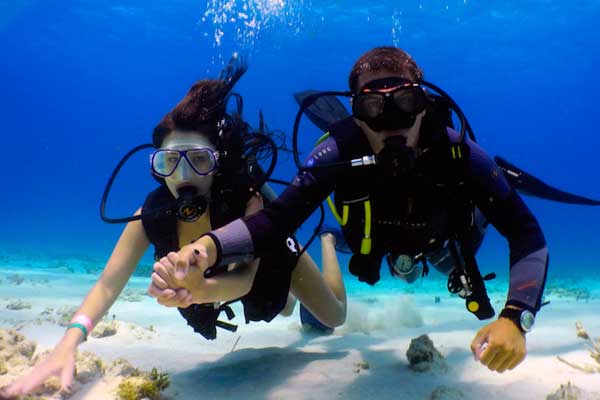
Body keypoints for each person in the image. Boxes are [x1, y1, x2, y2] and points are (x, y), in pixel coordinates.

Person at [167, 47, 552, 374]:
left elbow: (526, 234)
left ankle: (502, 184)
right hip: (368, 240)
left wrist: (517, 317)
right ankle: (333, 245)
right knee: (338, 257)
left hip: (442, 239)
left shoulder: (459, 153)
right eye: (373, 106)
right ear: (355, 114)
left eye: (404, 102)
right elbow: (276, 220)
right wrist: (205, 249)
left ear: (423, 105)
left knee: (450, 266)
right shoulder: (336, 153)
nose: (391, 123)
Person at [0, 59, 346, 398]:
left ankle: (328, 243)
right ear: (157, 166)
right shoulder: (152, 214)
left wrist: (198, 291)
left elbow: (244, 280)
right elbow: (107, 285)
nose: (183, 176)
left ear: (218, 161)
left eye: (198, 160)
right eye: (169, 162)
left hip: (263, 259)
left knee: (333, 317)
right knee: (277, 305)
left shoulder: (248, 200)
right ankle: (286, 297)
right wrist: (69, 340)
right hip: (229, 280)